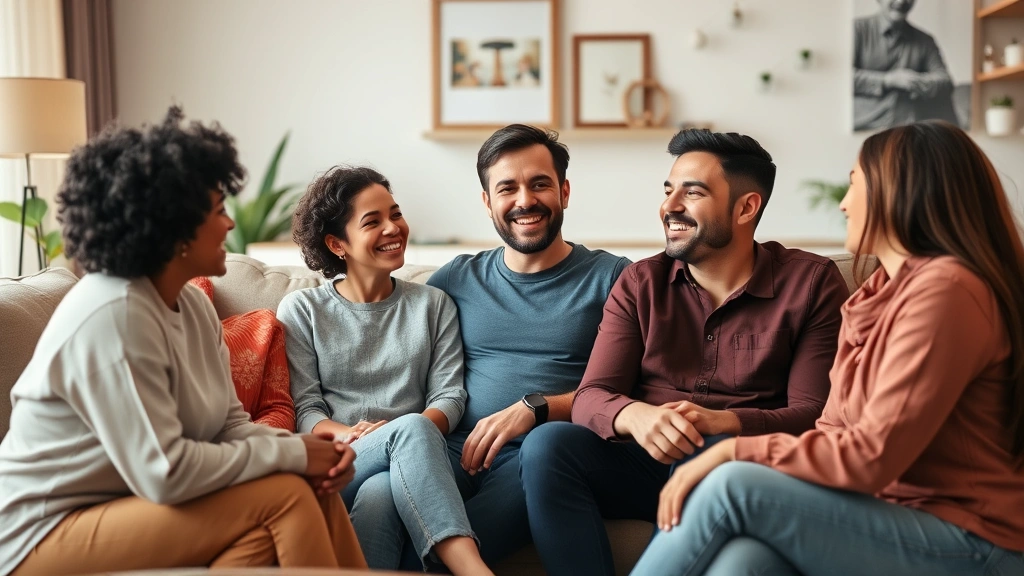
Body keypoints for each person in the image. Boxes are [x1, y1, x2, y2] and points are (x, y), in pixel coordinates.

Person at [630, 120, 1024, 576]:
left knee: (732, 484)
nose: (843, 204)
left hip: (975, 539)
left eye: (855, 183)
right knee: (744, 562)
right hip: (894, 514)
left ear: (899, 191)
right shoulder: (877, 295)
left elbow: (870, 457)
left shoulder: (948, 291)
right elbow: (833, 430)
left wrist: (731, 450)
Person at [0, 107, 366, 575]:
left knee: (311, 486)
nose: (231, 225)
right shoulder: (117, 313)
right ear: (173, 229)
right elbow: (164, 473)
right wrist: (294, 450)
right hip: (41, 532)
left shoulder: (191, 306)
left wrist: (313, 459)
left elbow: (229, 427)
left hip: (129, 505)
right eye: (218, 211)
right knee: (287, 492)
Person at [519, 129, 850, 576]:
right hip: (642, 455)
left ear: (746, 207)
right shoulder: (640, 282)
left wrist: (725, 422)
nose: (669, 207)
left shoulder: (810, 283)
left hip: (734, 465)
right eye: (668, 190)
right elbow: (592, 394)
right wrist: (635, 416)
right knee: (547, 444)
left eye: (692, 192)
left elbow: (813, 413)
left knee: (707, 449)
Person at [423, 124, 630, 564]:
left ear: (565, 191)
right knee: (380, 500)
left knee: (449, 553)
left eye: (539, 184)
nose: (524, 201)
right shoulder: (454, 280)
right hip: (451, 452)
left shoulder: (613, 278)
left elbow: (633, 390)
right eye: (507, 188)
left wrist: (535, 408)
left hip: (541, 458)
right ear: (487, 202)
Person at [278, 165, 491, 575]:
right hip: (342, 459)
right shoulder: (303, 310)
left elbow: (449, 396)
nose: (393, 228)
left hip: (416, 461)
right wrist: (357, 433)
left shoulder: (433, 304)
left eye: (395, 214)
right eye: (373, 221)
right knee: (406, 431)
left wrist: (415, 432)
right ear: (337, 243)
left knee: (381, 493)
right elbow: (306, 411)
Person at [854, 0, 959, 130]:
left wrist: (917, 82)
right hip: (866, 124)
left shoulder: (925, 40)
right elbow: (841, 78)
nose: (901, 1)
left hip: (910, 128)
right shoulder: (856, 30)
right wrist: (888, 80)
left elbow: (945, 80)